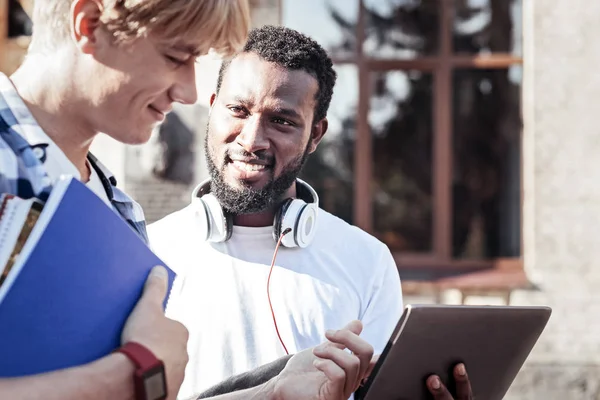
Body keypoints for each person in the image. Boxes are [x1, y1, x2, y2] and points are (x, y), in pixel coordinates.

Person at [0, 1, 383, 399]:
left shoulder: (116, 206)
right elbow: (135, 380)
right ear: (90, 24)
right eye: (176, 56)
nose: (189, 93)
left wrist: (272, 393)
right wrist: (134, 376)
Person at [148, 25, 405, 399]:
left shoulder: (368, 261)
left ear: (315, 135)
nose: (251, 140)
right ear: (213, 107)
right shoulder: (149, 249)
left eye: (281, 120)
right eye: (237, 110)